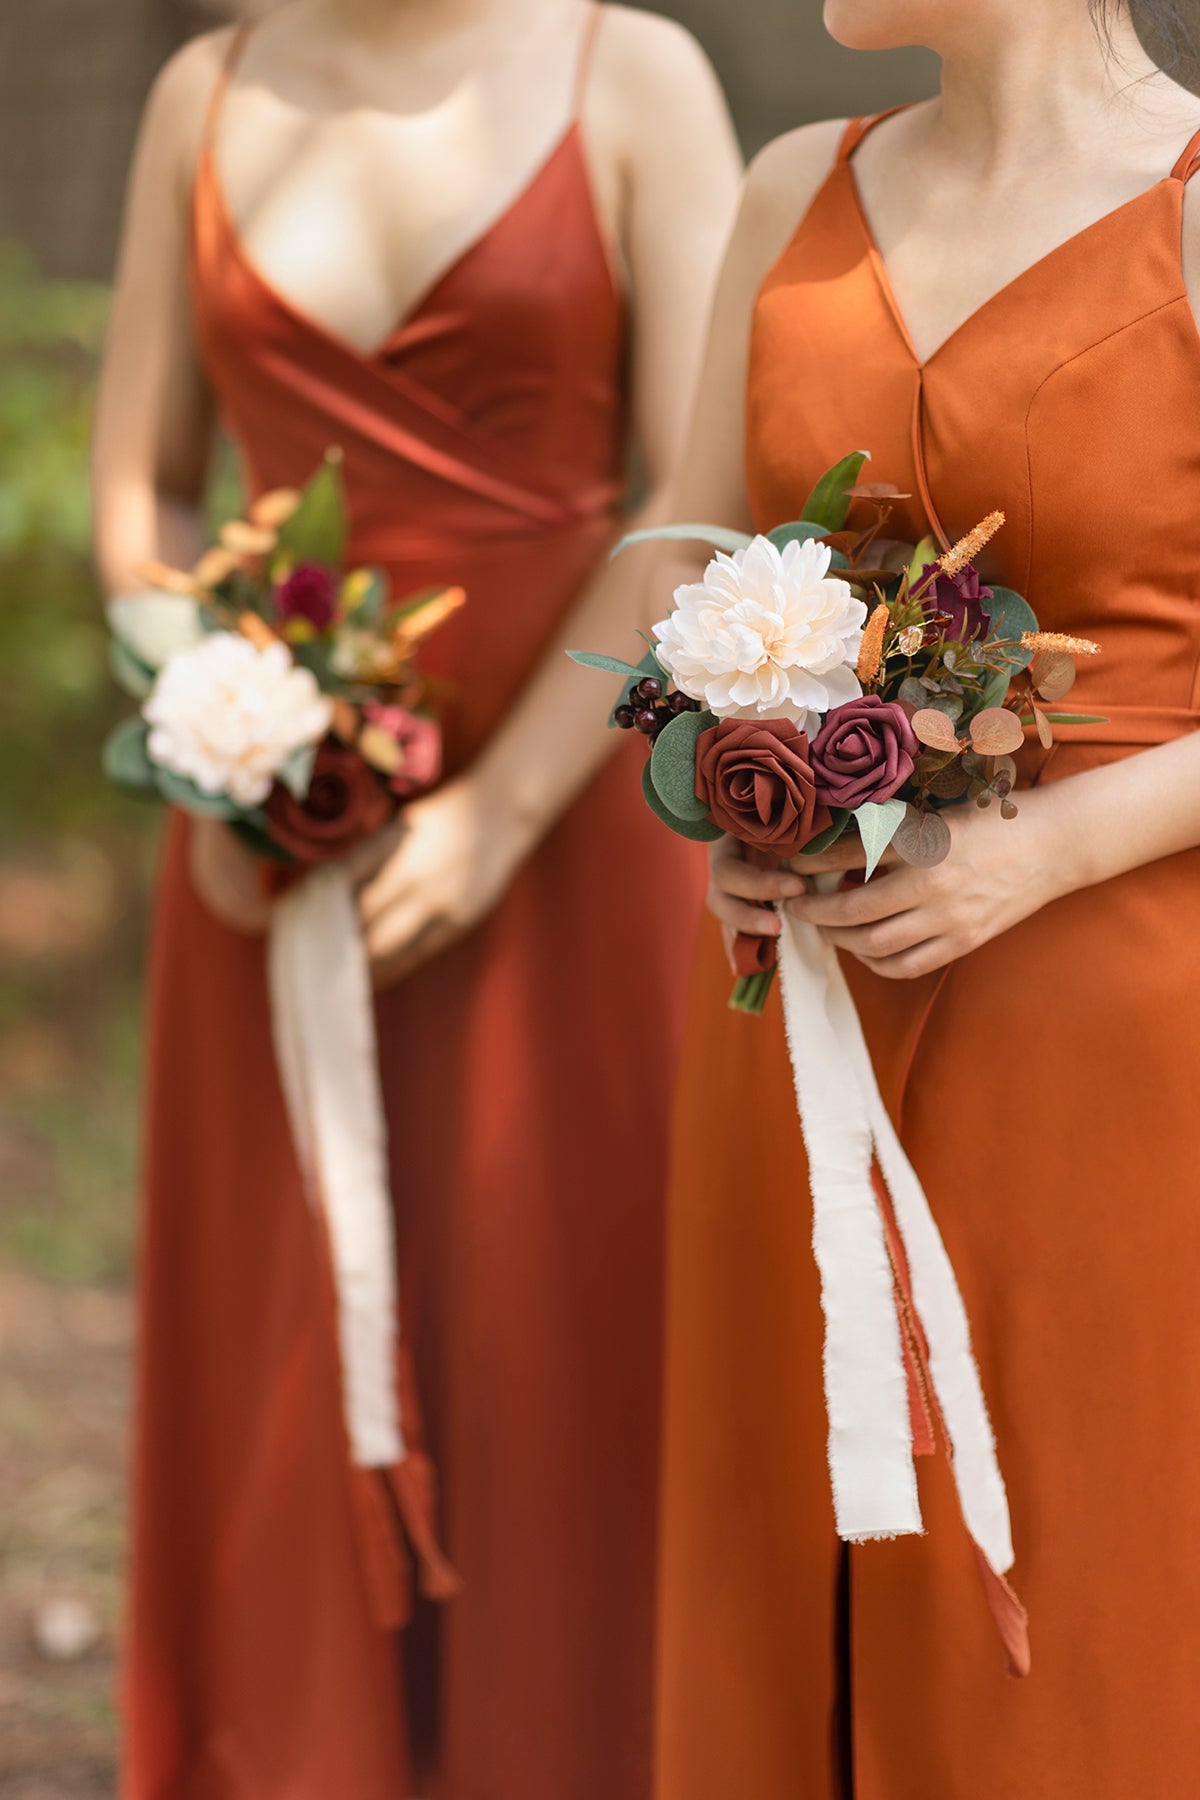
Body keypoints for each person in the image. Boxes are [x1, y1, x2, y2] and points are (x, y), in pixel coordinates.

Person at [91, 2, 740, 1794]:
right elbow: (143, 500)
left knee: (560, 1327)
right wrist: (217, 736)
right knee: (289, 1321)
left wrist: (502, 815)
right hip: (272, 828)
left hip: (571, 812)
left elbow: (689, 504)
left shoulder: (636, 74)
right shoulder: (200, 96)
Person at [649, 1, 1200, 1795]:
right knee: (775, 1548)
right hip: (794, 1004)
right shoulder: (788, 185)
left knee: (1074, 1575)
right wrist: (715, 779)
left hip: (1114, 1033)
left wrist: (1045, 850)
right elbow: (681, 552)